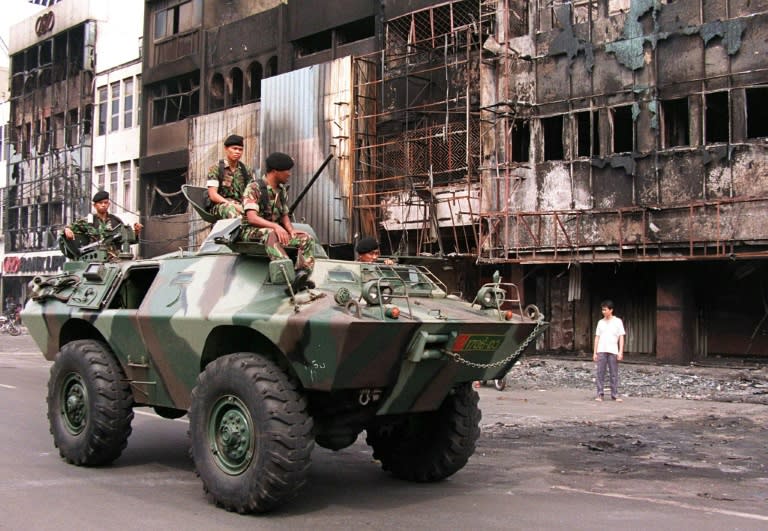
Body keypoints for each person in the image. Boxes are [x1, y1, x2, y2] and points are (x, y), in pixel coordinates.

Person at [240, 152, 315, 293]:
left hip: (273, 231)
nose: (289, 174)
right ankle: (287, 277)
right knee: (271, 234)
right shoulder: (254, 188)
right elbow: (252, 218)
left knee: (306, 238)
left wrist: (291, 230)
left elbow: (284, 214)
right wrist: (275, 226)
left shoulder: (281, 191)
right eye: (287, 170)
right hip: (251, 231)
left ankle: (301, 275)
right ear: (275, 171)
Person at [63, 190, 142, 257]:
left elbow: (127, 240)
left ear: (109, 204)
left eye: (105, 202)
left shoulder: (116, 221)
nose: (103, 205)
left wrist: (136, 232)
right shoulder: (88, 221)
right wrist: (67, 230)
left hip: (114, 258)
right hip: (95, 257)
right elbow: (69, 228)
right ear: (94, 205)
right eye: (100, 203)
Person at [206, 134, 251, 219]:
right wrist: (232, 204)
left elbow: (251, 192)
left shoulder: (246, 170)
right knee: (231, 211)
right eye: (234, 148)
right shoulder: (216, 169)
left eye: (240, 149)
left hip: (242, 205)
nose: (237, 152)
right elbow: (213, 195)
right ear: (226, 149)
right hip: (221, 205)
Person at [593, 299, 626, 402]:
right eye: (602, 310)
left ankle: (614, 394)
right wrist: (595, 352)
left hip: (613, 350)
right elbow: (597, 337)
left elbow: (621, 337)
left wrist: (620, 351)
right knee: (600, 373)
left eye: (605, 310)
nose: (603, 312)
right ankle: (600, 394)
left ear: (611, 310)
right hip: (601, 350)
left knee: (614, 373)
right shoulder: (600, 322)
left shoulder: (617, 321)